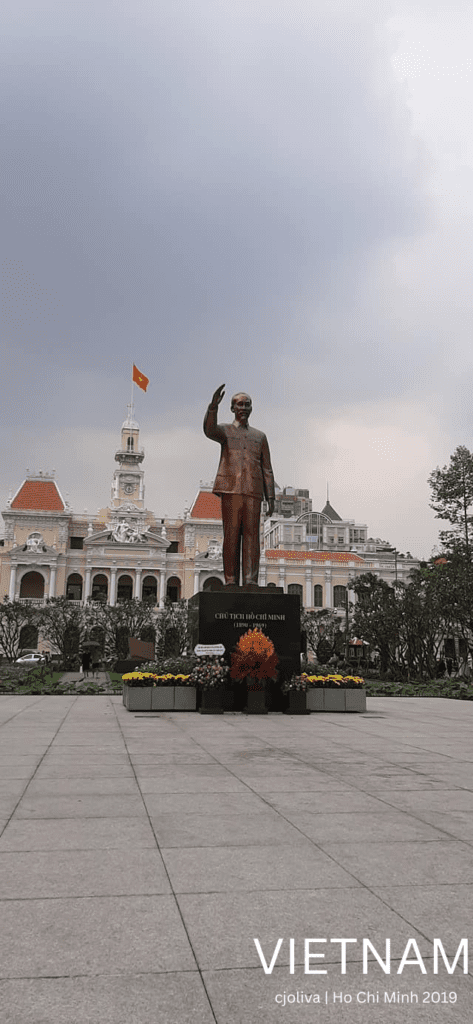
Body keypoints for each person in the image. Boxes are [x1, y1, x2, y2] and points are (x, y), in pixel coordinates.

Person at [204, 384, 275, 586]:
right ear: (232, 408)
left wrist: (271, 497)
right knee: (232, 535)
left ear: (251, 408)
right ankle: (231, 580)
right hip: (231, 489)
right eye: (239, 405)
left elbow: (267, 468)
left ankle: (251, 579)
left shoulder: (259, 437)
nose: (243, 408)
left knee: (253, 538)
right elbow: (209, 430)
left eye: (247, 404)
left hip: (253, 492)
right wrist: (212, 407)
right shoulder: (225, 431)